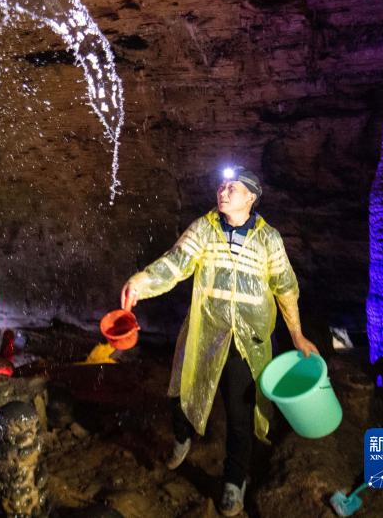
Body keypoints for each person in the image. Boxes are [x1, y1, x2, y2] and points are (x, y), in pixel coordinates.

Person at [120, 167, 318, 517]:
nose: (223, 192)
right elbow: (176, 263)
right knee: (182, 391)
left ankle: (233, 482)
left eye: (232, 188)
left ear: (251, 197)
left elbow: (285, 288)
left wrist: (297, 334)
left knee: (240, 416)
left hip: (247, 341)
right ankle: (182, 437)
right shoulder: (204, 228)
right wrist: (140, 283)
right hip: (206, 331)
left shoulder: (269, 239)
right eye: (222, 186)